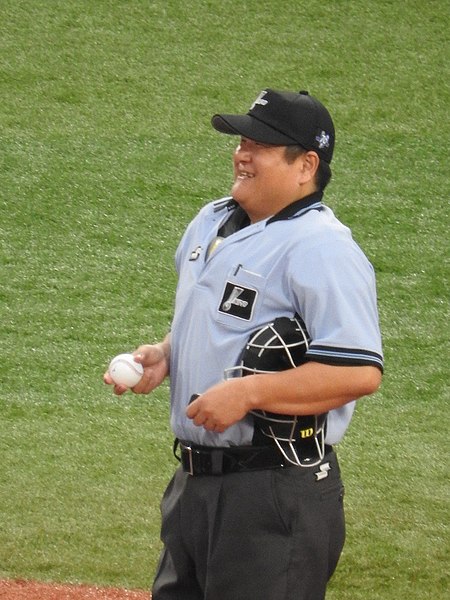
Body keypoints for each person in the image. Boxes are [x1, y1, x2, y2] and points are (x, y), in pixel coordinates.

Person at [104, 88, 383, 600]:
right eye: (241, 140)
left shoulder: (322, 249)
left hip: (274, 492)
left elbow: (358, 372)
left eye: (259, 144)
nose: (240, 153)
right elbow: (215, 321)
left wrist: (248, 394)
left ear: (306, 165)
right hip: (193, 486)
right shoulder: (211, 220)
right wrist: (165, 354)